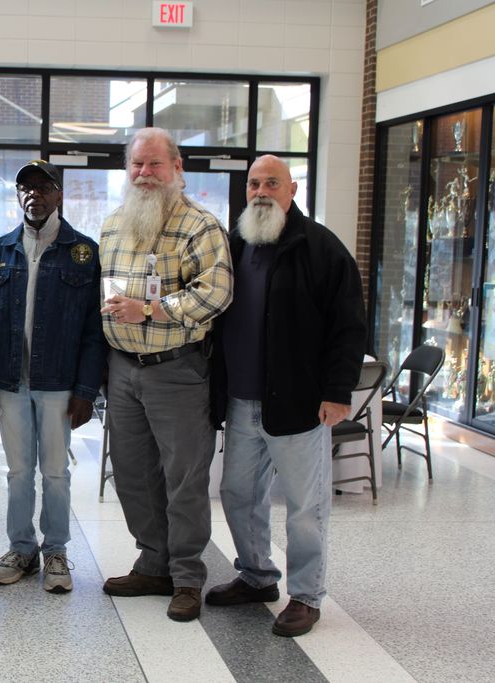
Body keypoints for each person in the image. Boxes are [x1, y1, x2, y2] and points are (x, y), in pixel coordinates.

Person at [206, 154, 367, 637]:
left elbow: (349, 327)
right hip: (241, 402)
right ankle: (257, 576)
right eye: (254, 183)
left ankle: (306, 596)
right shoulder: (235, 245)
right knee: (237, 494)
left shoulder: (320, 248)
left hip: (299, 404)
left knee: (304, 507)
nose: (260, 191)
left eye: (271, 183)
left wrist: (338, 393)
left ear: (292, 189)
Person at [98, 127, 233, 622]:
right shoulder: (113, 224)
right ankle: (152, 562)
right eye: (136, 165)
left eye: (154, 164)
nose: (144, 174)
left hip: (176, 371)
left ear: (177, 169)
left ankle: (187, 576)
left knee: (184, 479)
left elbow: (215, 294)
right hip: (122, 371)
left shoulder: (201, 225)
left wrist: (151, 310)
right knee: (132, 476)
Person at [0, 160, 106, 593]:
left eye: (43, 187)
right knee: (17, 471)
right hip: (11, 382)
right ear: (18, 196)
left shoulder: (83, 253)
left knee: (55, 472)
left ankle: (57, 552)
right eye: (25, 188)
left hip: (59, 384)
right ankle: (21, 548)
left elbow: (92, 329)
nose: (34, 194)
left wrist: (87, 390)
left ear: (59, 195)